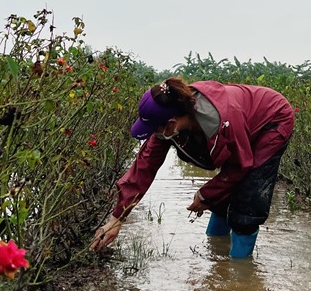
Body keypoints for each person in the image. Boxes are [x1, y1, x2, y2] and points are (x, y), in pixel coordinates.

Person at [90, 76, 295, 259]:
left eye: (154, 129)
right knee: (222, 198)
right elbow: (144, 167)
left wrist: (206, 195)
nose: (154, 134)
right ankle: (216, 252)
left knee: (248, 198)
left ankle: (240, 274)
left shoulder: (221, 122)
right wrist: (117, 218)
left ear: (172, 124)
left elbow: (240, 165)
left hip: (272, 119)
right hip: (241, 124)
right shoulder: (170, 121)